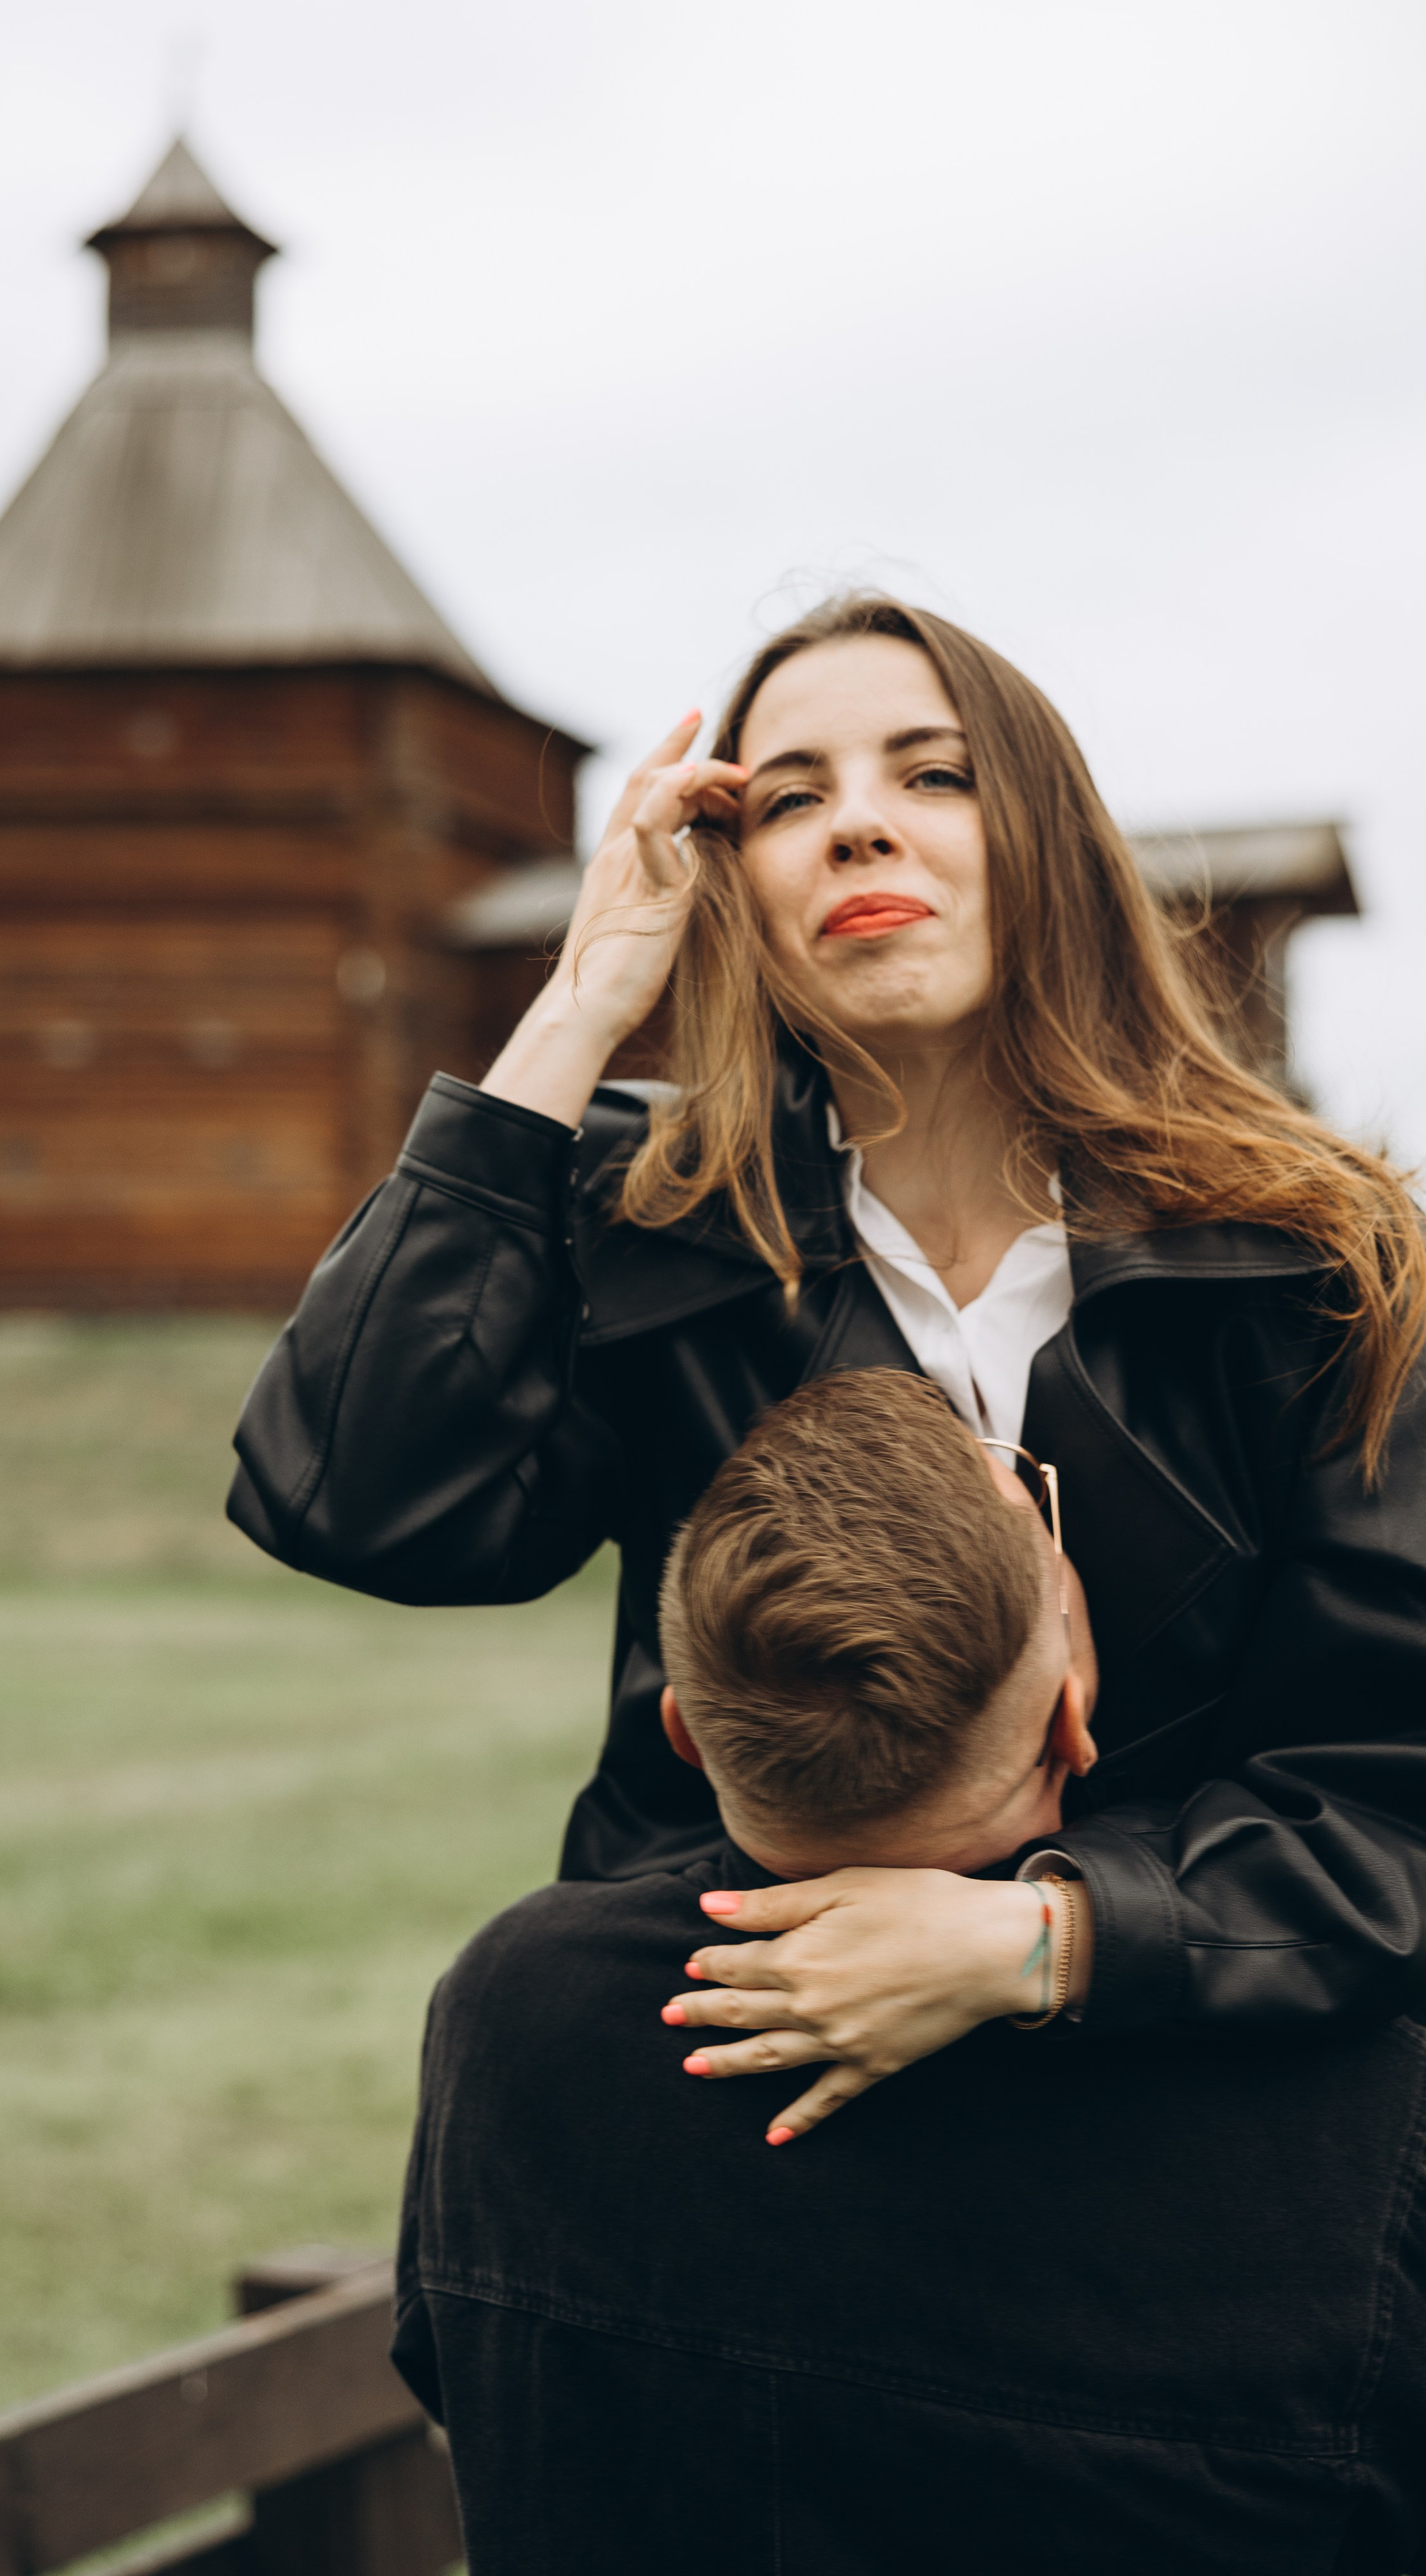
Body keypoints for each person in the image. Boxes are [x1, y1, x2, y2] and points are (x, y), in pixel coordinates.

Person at [230, 590, 1426, 2107]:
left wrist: (1052, 1939)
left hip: (1183, 2081)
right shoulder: (648, 1223)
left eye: (933, 775)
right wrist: (575, 1010)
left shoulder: (1319, 1258)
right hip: (738, 2058)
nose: (857, 826)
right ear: (734, 885)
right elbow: (352, 1498)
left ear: (1049, 843)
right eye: (790, 800)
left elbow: (1390, 1794)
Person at [392, 1371, 1426, 2576]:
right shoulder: (1364, 2117)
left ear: (682, 1733)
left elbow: (448, 2376)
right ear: (1071, 1715)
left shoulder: (512, 2012)